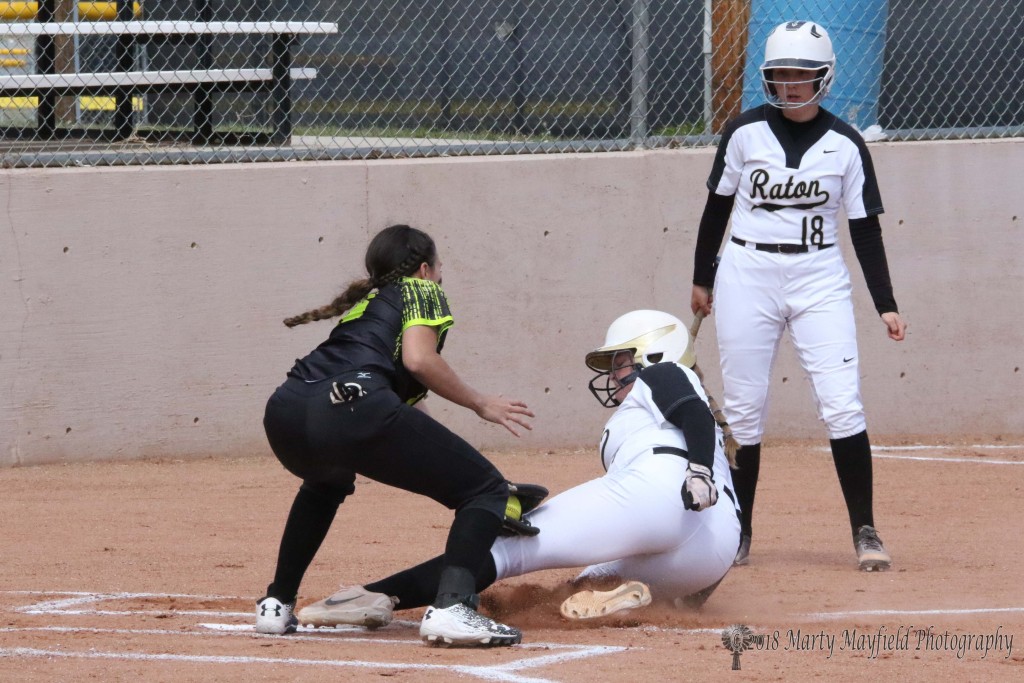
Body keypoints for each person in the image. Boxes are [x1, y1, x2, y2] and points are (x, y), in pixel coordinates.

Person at [294, 309, 742, 632]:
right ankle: (625, 600)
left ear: (655, 352)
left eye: (622, 360)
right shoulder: (682, 421)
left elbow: (692, 415)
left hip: (662, 491)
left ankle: (374, 595)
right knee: (581, 588)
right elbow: (725, 498)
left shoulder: (666, 376)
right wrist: (695, 588)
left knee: (509, 546)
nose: (615, 372)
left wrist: (696, 471)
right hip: (710, 549)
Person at [689, 20, 907, 571]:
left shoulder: (847, 144)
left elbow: (864, 228)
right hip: (747, 272)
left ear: (824, 78)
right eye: (779, 74)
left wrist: (885, 301)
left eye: (800, 75)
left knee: (842, 403)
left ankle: (865, 530)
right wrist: (702, 279)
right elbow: (716, 209)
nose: (788, 85)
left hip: (818, 278)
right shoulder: (742, 133)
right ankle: (738, 533)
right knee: (743, 410)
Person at [255, 224, 534, 647]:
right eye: (439, 268)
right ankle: (452, 609)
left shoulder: (366, 304)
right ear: (424, 269)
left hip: (286, 410)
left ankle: (276, 605)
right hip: (353, 405)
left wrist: (460, 464)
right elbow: (420, 361)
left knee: (325, 485)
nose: (440, 276)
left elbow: (402, 413)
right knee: (485, 491)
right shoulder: (421, 289)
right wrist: (480, 403)